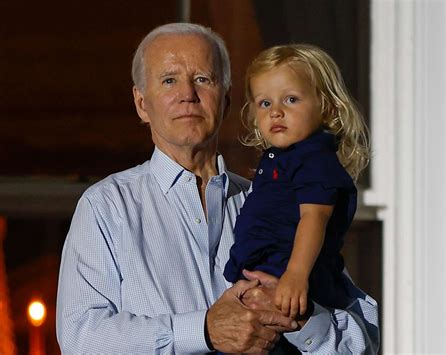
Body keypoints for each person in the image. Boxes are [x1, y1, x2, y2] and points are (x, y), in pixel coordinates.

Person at [56, 23, 379, 354]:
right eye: (169, 80)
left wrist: (304, 320)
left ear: (225, 100)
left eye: (202, 79)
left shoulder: (280, 202)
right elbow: (81, 338)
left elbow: (364, 342)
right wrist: (204, 329)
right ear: (142, 104)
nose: (187, 94)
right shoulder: (106, 207)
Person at [224, 44, 370, 324]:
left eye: (290, 99)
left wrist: (295, 274)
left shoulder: (314, 159)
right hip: (268, 275)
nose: (275, 112)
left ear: (326, 106)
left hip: (292, 280)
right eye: (265, 103)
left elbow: (313, 218)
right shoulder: (281, 159)